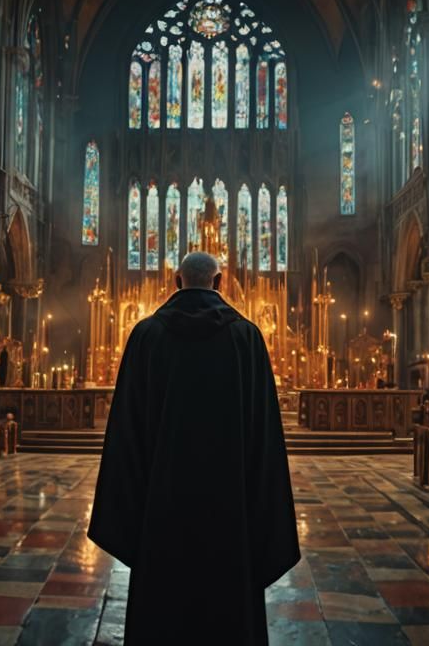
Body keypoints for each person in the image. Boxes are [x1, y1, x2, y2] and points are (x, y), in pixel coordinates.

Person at [89, 251, 299, 644]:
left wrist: (128, 518)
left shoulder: (146, 336)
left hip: (161, 514)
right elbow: (264, 440)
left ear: (175, 281)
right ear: (220, 283)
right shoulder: (247, 337)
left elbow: (126, 436)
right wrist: (264, 521)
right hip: (231, 517)